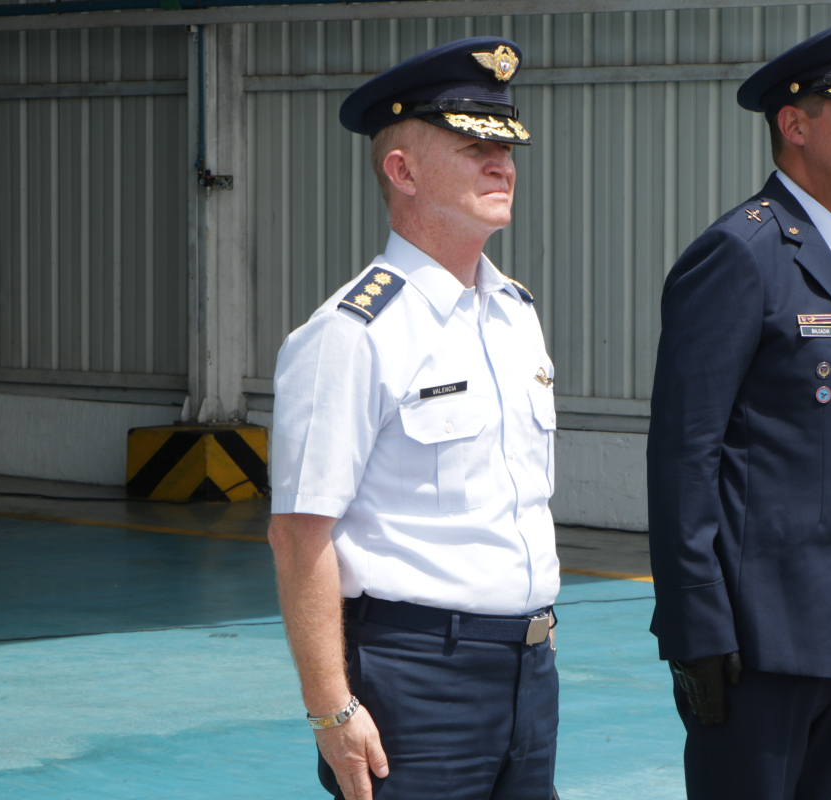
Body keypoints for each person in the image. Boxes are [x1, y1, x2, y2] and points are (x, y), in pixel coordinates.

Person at [267, 37, 560, 800]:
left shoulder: (514, 314)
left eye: (507, 148)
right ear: (402, 172)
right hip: (414, 680)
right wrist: (331, 709)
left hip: (530, 669)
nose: (502, 165)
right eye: (474, 147)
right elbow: (301, 534)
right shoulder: (350, 334)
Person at [645, 18, 831, 800]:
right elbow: (684, 454)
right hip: (760, 642)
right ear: (794, 125)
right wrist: (696, 627)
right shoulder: (741, 253)